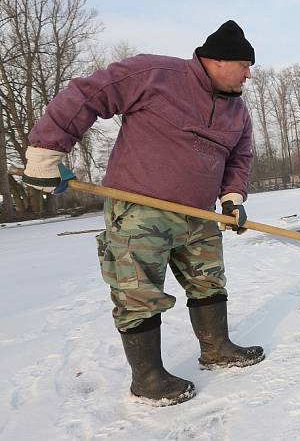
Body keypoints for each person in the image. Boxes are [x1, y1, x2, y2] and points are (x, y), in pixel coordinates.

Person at [22, 20, 264, 405]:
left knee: (208, 282)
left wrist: (233, 197)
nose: (249, 74)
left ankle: (216, 348)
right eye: (245, 65)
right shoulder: (155, 74)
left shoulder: (238, 112)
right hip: (140, 209)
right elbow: (90, 93)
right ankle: (148, 378)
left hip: (199, 215)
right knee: (138, 292)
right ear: (218, 60)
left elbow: (240, 156)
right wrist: (46, 152)